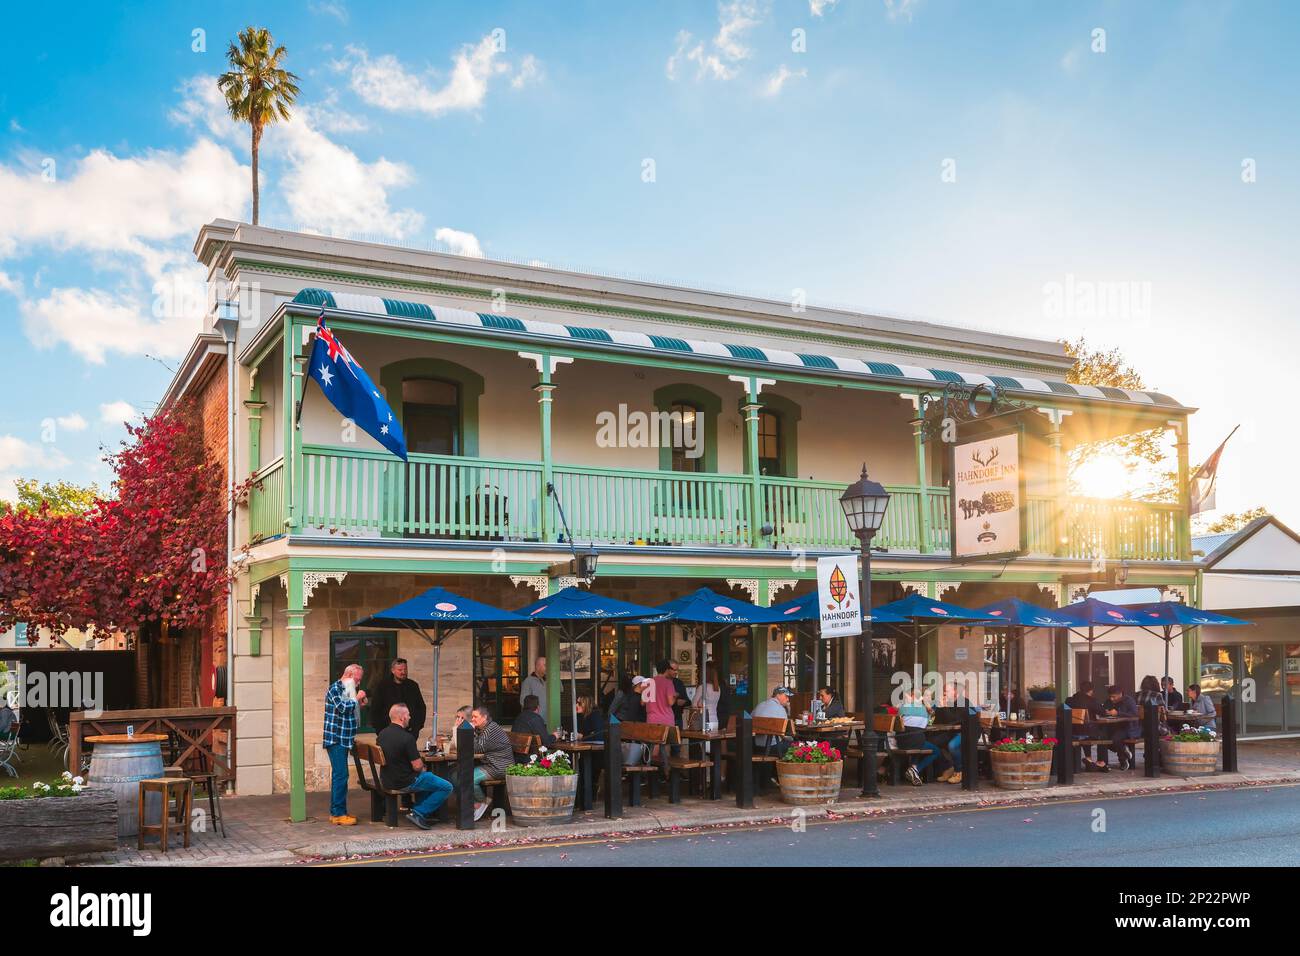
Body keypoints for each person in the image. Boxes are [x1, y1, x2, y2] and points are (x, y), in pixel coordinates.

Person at [377, 703, 452, 829]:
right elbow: (417, 766)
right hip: (405, 781)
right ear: (402, 718)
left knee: (426, 777)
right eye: (408, 715)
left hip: (387, 779)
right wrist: (423, 768)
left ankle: (420, 811)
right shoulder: (407, 738)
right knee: (446, 787)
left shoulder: (382, 735)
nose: (410, 717)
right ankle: (419, 812)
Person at [322, 664, 367, 825]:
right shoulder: (335, 688)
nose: (358, 683)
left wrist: (359, 704)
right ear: (348, 674)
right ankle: (337, 813)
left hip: (344, 738)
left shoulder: (348, 688)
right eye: (357, 679)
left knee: (341, 776)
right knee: (341, 776)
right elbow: (342, 707)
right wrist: (356, 698)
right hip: (336, 739)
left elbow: (349, 713)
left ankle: (338, 812)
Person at [468, 705, 514, 821]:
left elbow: (476, 748)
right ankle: (475, 803)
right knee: (458, 773)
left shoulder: (491, 729)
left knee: (469, 778)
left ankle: (481, 802)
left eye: (475, 717)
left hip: (499, 767)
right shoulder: (484, 728)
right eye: (472, 716)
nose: (472, 719)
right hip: (490, 764)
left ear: (484, 717)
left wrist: (470, 731)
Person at [897, 689, 946, 786]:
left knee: (918, 744)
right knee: (936, 751)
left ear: (913, 696)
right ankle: (915, 769)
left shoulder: (903, 707)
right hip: (918, 740)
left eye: (906, 696)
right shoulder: (925, 710)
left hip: (902, 741)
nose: (905, 699)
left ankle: (913, 770)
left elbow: (899, 724)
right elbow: (927, 724)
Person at [369, 658, 427, 739]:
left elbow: (421, 707)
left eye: (405, 669)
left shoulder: (413, 686)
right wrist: (380, 730)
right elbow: (375, 708)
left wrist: (417, 727)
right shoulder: (383, 686)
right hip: (387, 732)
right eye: (400, 670)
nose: (403, 672)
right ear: (393, 670)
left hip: (410, 732)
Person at [1066, 681, 1107, 771]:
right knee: (1104, 736)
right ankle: (1101, 761)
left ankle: (1088, 758)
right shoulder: (1091, 700)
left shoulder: (1070, 700)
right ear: (1091, 690)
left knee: (1085, 731)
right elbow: (1103, 712)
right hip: (1087, 732)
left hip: (1073, 731)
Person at [1100, 684, 1139, 771]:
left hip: (1129, 727)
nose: (1111, 699)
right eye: (1110, 697)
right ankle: (1123, 751)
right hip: (1114, 727)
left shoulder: (1129, 701)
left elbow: (1134, 715)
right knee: (1102, 738)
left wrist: (1118, 713)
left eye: (1114, 697)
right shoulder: (1109, 701)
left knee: (1116, 738)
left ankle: (1123, 760)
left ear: (1120, 694)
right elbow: (1103, 710)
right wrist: (1105, 712)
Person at [753, 686, 794, 755]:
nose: (788, 699)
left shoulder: (760, 705)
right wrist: (788, 709)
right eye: (786, 696)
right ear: (778, 695)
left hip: (757, 746)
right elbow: (785, 731)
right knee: (796, 744)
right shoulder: (780, 709)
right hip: (773, 748)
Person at [520, 656, 548, 723]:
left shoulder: (547, 680)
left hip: (549, 720)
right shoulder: (528, 681)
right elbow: (523, 701)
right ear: (538, 666)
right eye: (545, 665)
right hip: (535, 721)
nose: (547, 667)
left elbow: (560, 690)